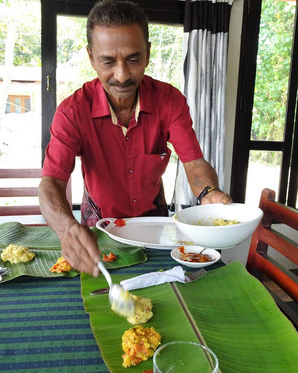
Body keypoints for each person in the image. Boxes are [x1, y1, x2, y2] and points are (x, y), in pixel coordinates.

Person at [39, 0, 232, 277]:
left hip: (156, 226)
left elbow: (193, 162)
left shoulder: (170, 101)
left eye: (133, 59)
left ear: (148, 53)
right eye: (108, 61)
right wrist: (67, 228)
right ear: (91, 57)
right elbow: (51, 183)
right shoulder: (72, 112)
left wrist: (208, 193)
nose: (122, 75)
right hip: (99, 227)